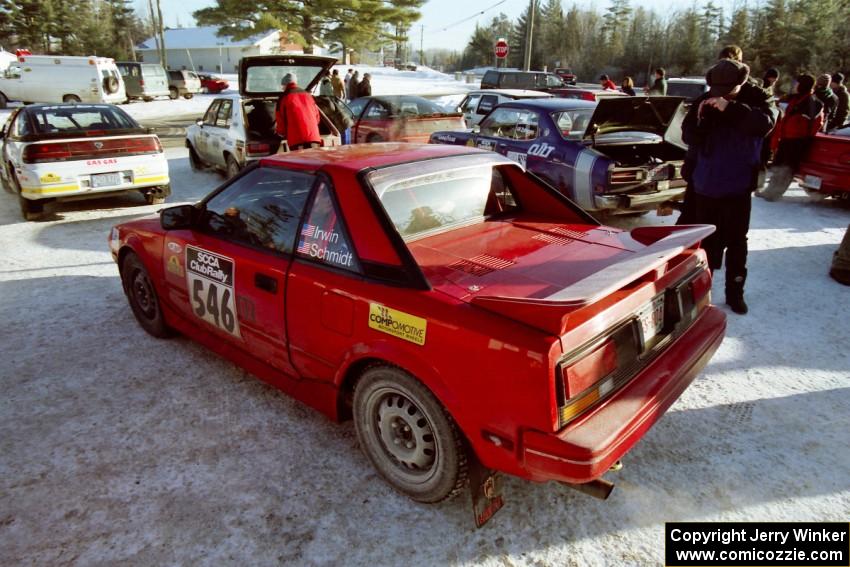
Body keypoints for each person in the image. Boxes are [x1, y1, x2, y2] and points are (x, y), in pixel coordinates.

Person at [681, 58, 777, 315]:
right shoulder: (705, 98)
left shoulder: (759, 98)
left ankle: (735, 293)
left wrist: (730, 107)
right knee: (706, 243)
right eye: (716, 90)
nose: (719, 95)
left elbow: (765, 125)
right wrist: (700, 123)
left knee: (736, 241)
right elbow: (688, 135)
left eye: (726, 91)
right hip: (706, 183)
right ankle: (702, 291)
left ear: (741, 82)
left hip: (737, 185)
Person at [759, 74, 824, 201]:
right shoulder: (796, 98)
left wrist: (805, 139)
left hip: (798, 141)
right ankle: (769, 191)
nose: (795, 85)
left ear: (803, 85)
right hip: (786, 138)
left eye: (797, 83)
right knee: (778, 164)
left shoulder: (813, 102)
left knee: (787, 167)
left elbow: (816, 123)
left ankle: (775, 193)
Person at [275, 73, 321, 152]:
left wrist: (280, 133)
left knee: (300, 162)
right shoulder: (308, 95)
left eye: (282, 86)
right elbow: (317, 117)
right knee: (313, 162)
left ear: (285, 85)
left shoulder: (284, 98)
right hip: (314, 137)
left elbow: (280, 120)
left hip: (296, 139)